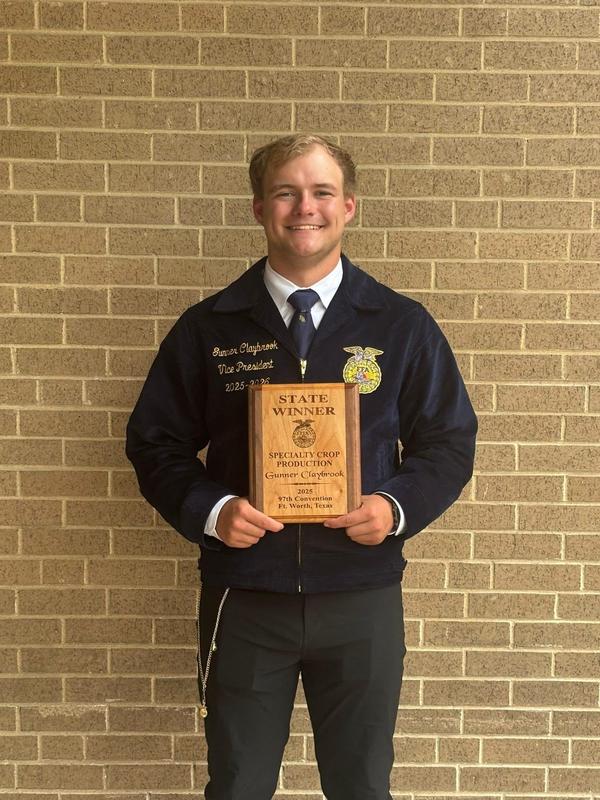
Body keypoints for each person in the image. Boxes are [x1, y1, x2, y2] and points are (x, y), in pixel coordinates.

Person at [126, 134, 477, 800]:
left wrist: (395, 507)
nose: (303, 207)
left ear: (349, 206)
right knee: (237, 785)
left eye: (320, 192)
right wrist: (212, 510)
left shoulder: (401, 325)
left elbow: (448, 441)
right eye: (286, 191)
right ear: (259, 208)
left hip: (361, 592)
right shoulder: (210, 328)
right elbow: (155, 442)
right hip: (246, 594)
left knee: (362, 784)